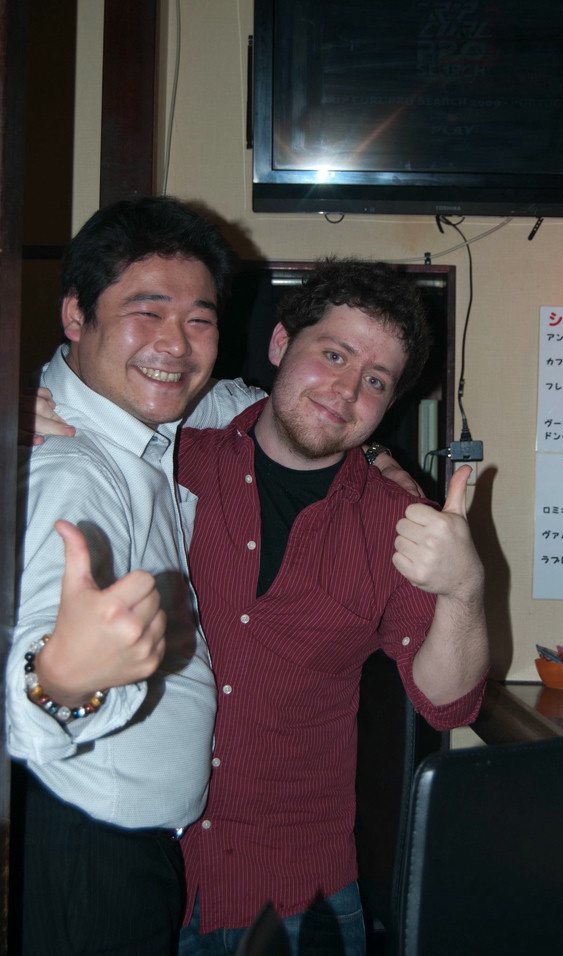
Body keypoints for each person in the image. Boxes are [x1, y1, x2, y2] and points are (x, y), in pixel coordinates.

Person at [174, 258, 489, 955]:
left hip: (296, 897)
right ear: (283, 345)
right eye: (334, 354)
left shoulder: (397, 521)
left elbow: (447, 705)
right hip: (148, 877)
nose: (346, 390)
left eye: (375, 380)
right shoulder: (168, 463)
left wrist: (465, 587)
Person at [7, 195, 266, 956]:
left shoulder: (139, 425)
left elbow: (234, 399)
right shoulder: (72, 466)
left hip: (122, 840)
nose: (176, 345)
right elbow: (31, 698)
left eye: (200, 320)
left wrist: (372, 453)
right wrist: (62, 681)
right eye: (146, 312)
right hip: (88, 842)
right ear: (75, 316)